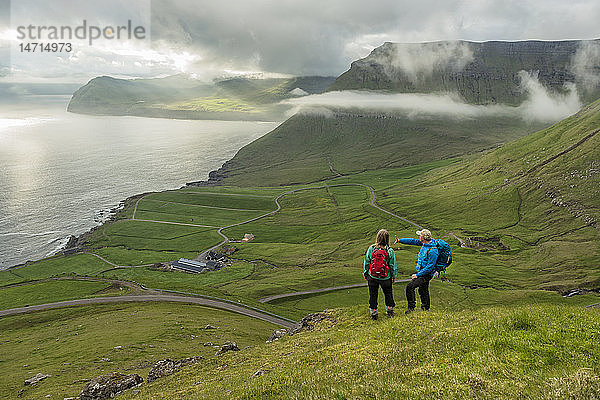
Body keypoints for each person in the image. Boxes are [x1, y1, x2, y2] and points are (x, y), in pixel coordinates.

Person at [395, 229, 438, 314]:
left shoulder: (433, 251)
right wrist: (400, 240)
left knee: (410, 286)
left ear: (423, 238)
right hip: (422, 272)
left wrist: (418, 275)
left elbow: (430, 267)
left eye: (420, 236)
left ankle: (411, 308)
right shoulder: (425, 243)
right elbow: (413, 241)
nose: (419, 238)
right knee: (423, 289)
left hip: (426, 274)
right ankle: (425, 308)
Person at [363, 229, 397, 320]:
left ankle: (374, 314)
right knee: (388, 294)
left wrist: (366, 273)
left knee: (373, 295)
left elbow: (367, 262)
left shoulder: (371, 248)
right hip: (385, 277)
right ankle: (390, 312)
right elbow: (392, 265)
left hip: (372, 276)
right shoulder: (389, 251)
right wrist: (393, 276)